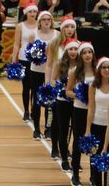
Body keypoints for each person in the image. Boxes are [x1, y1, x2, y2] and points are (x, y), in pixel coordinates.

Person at [86, 57, 109, 186]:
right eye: (104, 67)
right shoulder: (93, 86)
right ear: (99, 70)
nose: (106, 70)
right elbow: (91, 108)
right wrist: (87, 129)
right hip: (97, 126)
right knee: (97, 160)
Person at [47, 17, 78, 160]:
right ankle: (55, 147)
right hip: (58, 87)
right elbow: (50, 66)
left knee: (71, 123)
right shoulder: (55, 44)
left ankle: (65, 148)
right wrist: (49, 85)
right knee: (57, 120)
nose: (70, 30)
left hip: (73, 90)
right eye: (67, 27)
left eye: (72, 27)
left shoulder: (78, 45)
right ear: (62, 29)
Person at [67, 42, 96, 186]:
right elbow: (68, 91)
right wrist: (78, 95)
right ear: (80, 56)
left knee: (94, 142)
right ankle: (75, 174)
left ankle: (94, 175)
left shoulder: (98, 71)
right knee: (78, 141)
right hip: (79, 110)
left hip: (94, 111)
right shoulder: (74, 71)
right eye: (84, 53)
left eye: (89, 52)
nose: (87, 55)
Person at [51, 40, 80, 171]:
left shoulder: (81, 66)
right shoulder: (60, 64)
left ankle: (75, 160)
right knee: (63, 131)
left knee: (76, 131)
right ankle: (64, 159)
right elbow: (53, 80)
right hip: (62, 101)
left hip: (77, 102)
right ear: (66, 51)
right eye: (70, 49)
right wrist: (60, 88)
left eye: (75, 49)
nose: (73, 52)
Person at [29, 11, 58, 140]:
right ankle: (36, 129)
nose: (47, 21)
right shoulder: (33, 34)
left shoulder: (57, 34)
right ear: (40, 22)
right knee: (36, 100)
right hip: (36, 70)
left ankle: (48, 129)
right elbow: (30, 54)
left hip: (51, 72)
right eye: (44, 19)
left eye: (49, 19)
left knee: (50, 101)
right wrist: (39, 55)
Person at [12, 3, 39, 120]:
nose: (32, 14)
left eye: (34, 11)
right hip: (24, 58)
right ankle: (26, 111)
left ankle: (34, 110)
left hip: (37, 59)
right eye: (30, 11)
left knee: (35, 87)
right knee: (26, 86)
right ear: (26, 13)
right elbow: (16, 43)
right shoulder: (20, 26)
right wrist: (14, 58)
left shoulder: (40, 25)